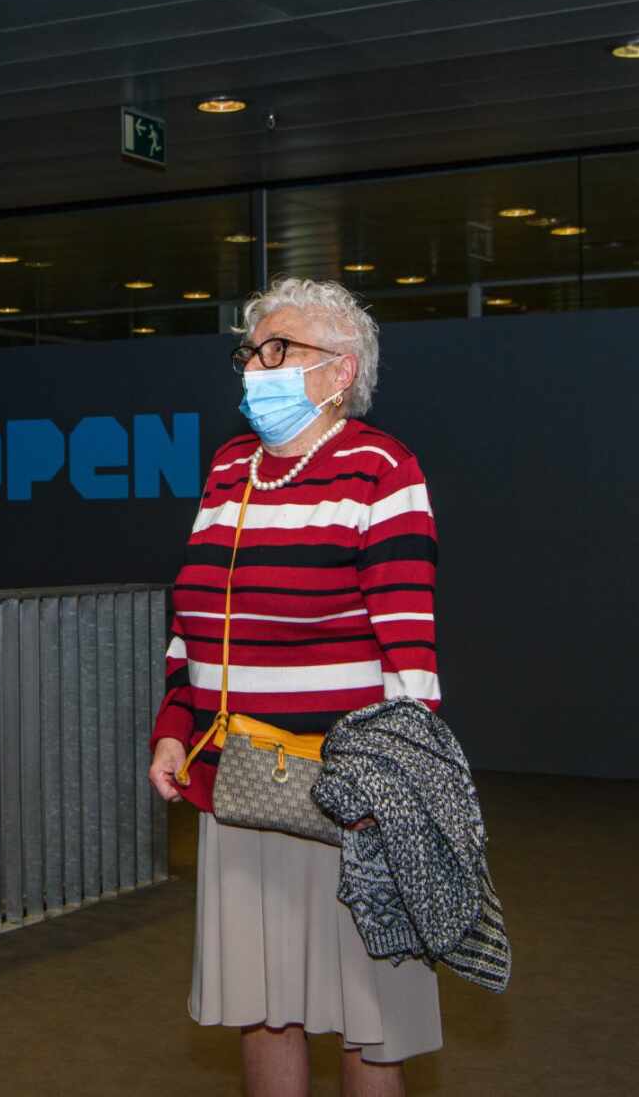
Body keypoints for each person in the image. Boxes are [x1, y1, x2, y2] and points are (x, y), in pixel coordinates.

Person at [148, 278, 443, 1097]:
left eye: (278, 350)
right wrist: (176, 723)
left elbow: (409, 653)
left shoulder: (382, 467)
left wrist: (399, 788)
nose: (255, 367)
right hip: (241, 787)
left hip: (352, 798)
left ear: (339, 371)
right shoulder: (229, 466)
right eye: (251, 350)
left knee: (367, 1013)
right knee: (264, 1004)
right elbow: (194, 616)